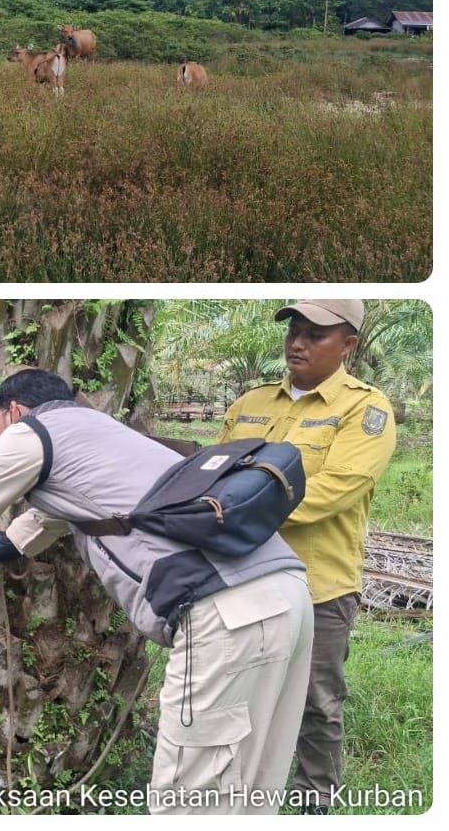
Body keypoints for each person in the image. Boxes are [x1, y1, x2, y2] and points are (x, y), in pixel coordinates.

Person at [0, 368, 314, 815]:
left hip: (224, 613)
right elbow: (12, 541)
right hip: (288, 592)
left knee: (186, 804)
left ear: (12, 411)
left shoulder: (30, 434)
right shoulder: (101, 439)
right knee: (253, 789)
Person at [218, 299, 396, 814]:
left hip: (317, 584)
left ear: (348, 344)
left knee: (316, 701)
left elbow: (332, 490)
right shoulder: (251, 402)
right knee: (240, 688)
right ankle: (239, 789)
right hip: (239, 574)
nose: (298, 342)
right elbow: (216, 469)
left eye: (316, 334)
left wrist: (234, 507)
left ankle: (315, 798)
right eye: (294, 330)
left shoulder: (365, 410)